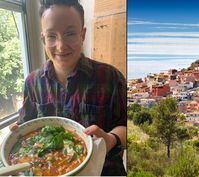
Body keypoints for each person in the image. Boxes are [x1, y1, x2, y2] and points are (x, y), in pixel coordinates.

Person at [10, 0, 127, 176]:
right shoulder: (33, 82)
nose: (61, 45)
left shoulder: (111, 77)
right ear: (43, 38)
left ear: (83, 34)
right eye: (51, 36)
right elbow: (27, 124)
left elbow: (127, 126)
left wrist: (111, 139)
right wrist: (18, 130)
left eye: (70, 33)